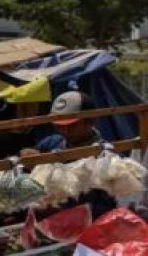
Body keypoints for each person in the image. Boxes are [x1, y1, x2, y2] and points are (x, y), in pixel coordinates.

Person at [22, 89, 116, 218]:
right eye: (59, 125)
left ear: (91, 121)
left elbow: (107, 204)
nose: (64, 130)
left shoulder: (106, 156)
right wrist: (27, 160)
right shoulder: (50, 143)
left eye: (71, 125)